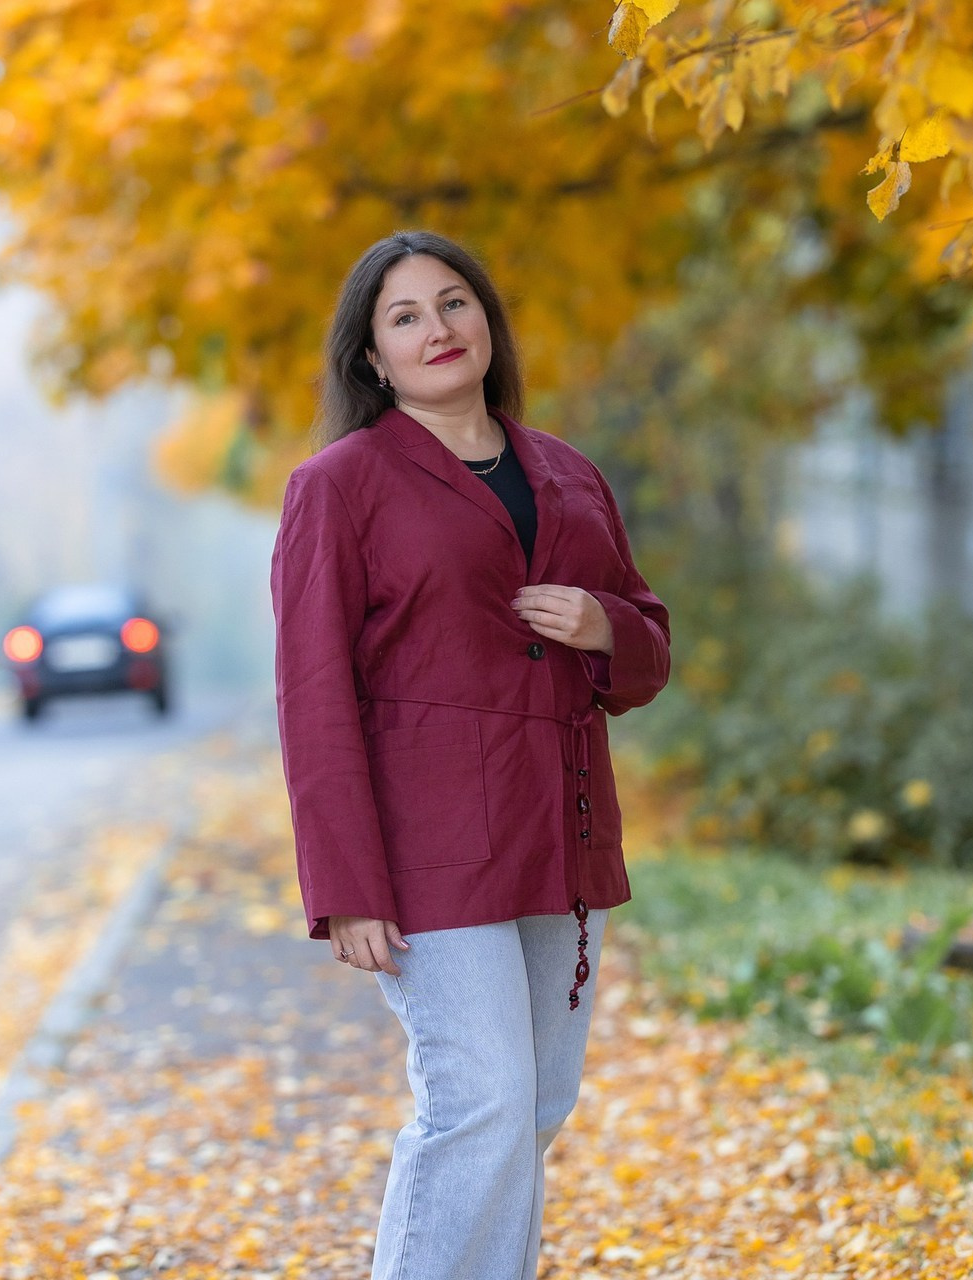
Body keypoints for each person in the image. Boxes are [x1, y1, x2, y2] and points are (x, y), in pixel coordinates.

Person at [270, 230, 671, 1280]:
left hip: (555, 826)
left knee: (533, 1100)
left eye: (452, 303)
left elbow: (646, 647)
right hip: (428, 843)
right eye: (403, 316)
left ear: (485, 321)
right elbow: (313, 697)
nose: (436, 328)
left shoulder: (567, 474)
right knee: (478, 1099)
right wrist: (344, 885)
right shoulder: (338, 486)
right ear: (372, 358)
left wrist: (602, 627)